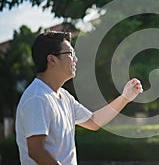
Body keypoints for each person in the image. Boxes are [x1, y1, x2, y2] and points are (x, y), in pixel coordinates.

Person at [15, 31, 143, 165]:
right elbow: (36, 151)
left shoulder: (64, 96)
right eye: (70, 54)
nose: (75, 59)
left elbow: (93, 121)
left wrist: (124, 98)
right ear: (52, 59)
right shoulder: (37, 98)